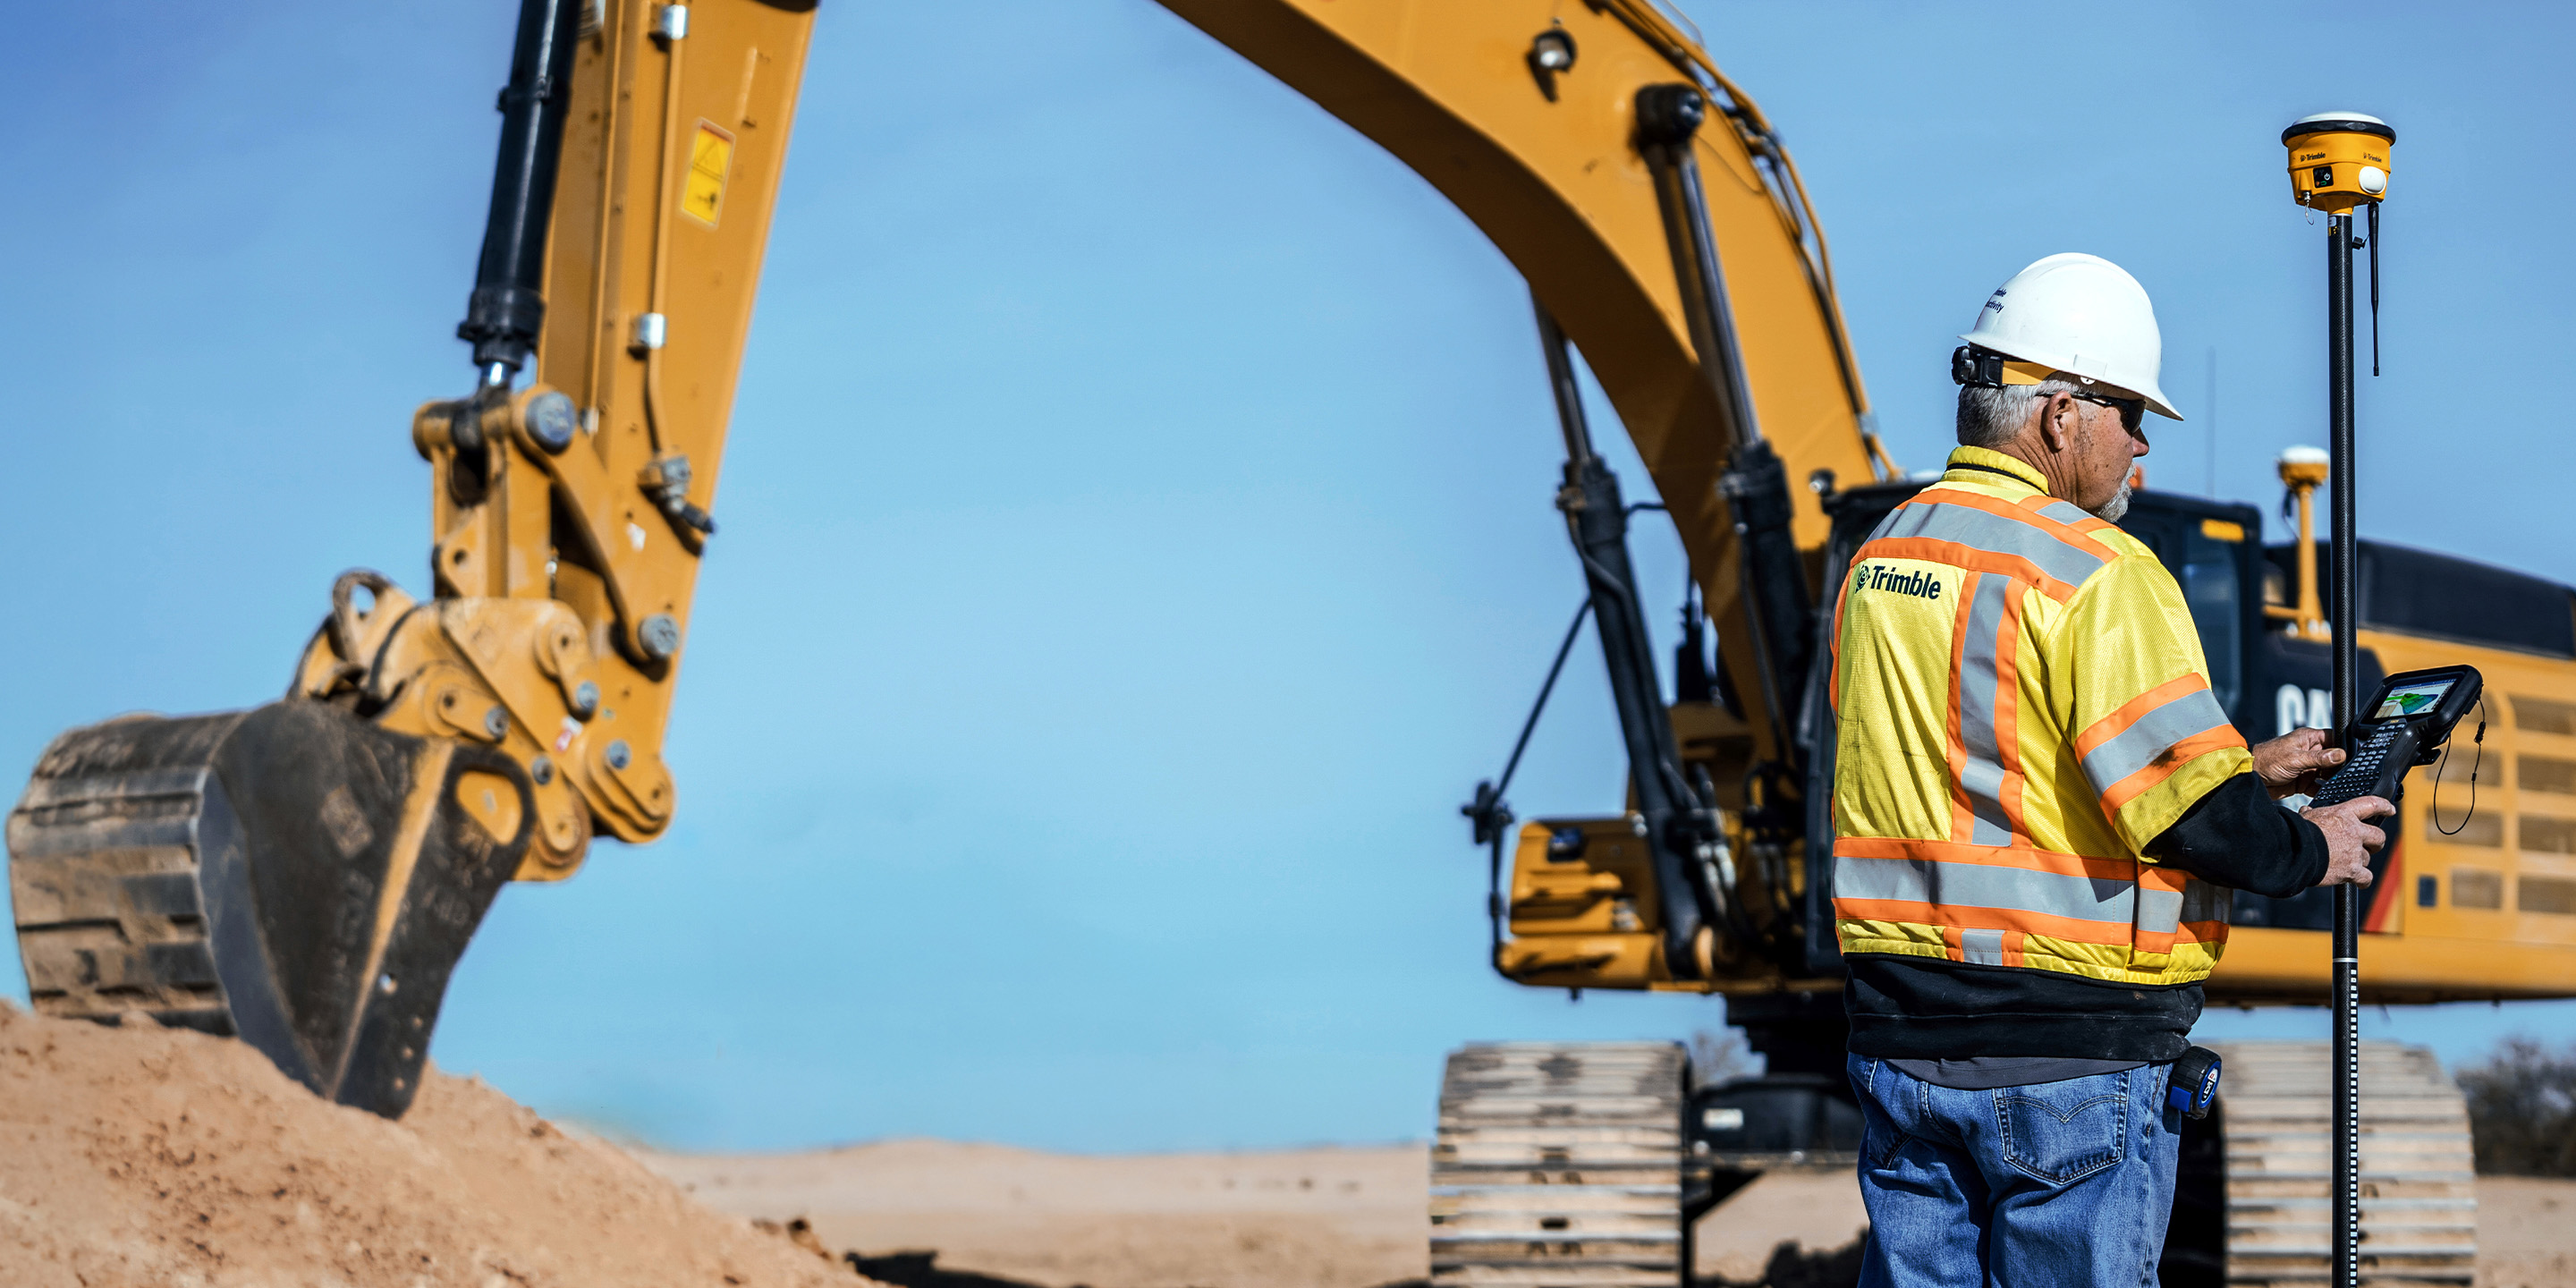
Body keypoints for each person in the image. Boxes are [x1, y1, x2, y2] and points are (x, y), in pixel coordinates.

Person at [1828, 252, 2391, 1286]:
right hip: (2069, 1058)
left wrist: (2236, 767)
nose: (2139, 445)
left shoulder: (1884, 554)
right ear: (2058, 413)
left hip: (1900, 1044)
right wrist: (2313, 847)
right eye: (2130, 413)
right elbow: (2196, 825)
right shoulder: (2095, 568)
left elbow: (1990, 763)